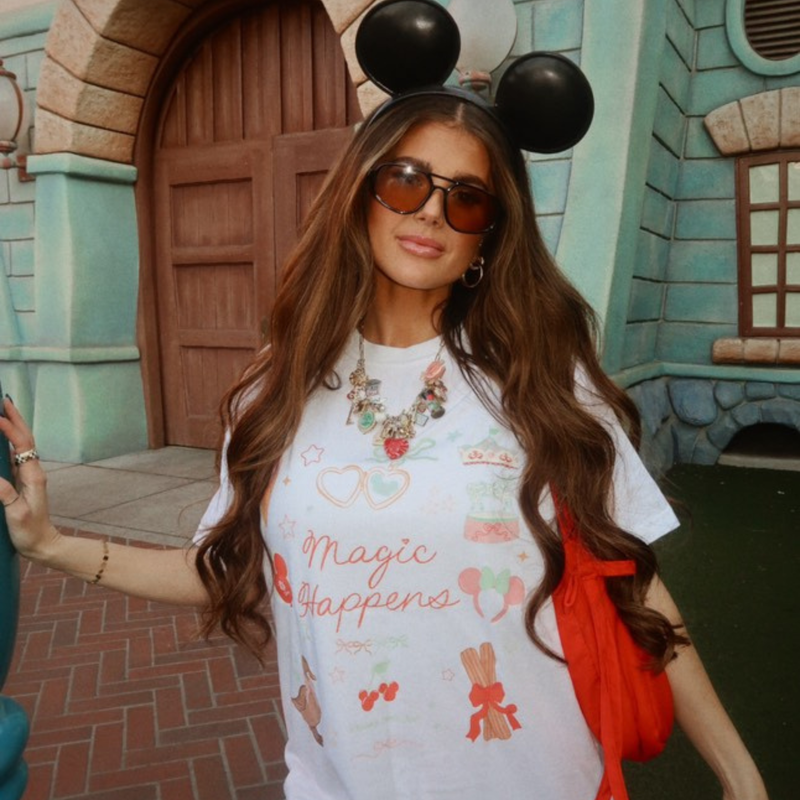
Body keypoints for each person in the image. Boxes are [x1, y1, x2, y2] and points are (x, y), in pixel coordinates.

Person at [0, 6, 769, 799]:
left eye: (467, 199)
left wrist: (738, 771)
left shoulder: (543, 379)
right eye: (406, 181)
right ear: (361, 192)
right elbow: (225, 572)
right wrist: (52, 546)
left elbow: (631, 580)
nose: (431, 210)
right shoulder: (275, 390)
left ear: (486, 238)